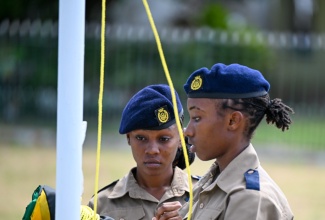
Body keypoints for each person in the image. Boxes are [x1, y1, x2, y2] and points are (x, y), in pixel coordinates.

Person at [153, 63, 294, 220]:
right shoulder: (213, 181)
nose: (188, 130)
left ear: (233, 121)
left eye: (197, 118)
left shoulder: (249, 198)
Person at [88, 84, 198, 220]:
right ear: (129, 138)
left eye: (164, 139)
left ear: (181, 139)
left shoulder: (205, 196)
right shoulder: (101, 205)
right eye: (141, 138)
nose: (152, 150)